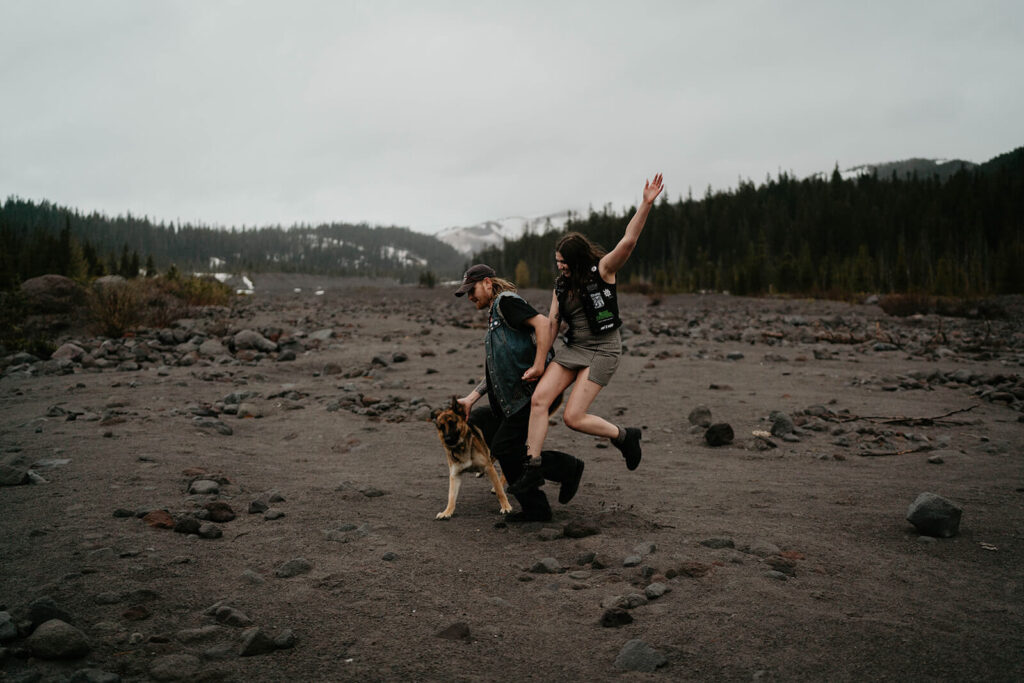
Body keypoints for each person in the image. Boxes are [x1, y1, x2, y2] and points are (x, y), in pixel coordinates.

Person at [522, 173, 664, 480]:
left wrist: (645, 205)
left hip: (604, 349)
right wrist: (538, 365)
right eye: (556, 261)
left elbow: (628, 241)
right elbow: (552, 325)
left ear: (576, 260)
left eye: (562, 261)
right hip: (575, 348)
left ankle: (625, 437)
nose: (559, 266)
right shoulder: (560, 286)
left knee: (573, 417)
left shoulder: (603, 270)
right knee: (539, 400)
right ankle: (531, 467)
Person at [453, 264, 585, 523]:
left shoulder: (506, 303)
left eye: (473, 289)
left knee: (505, 446)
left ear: (488, 283)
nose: (470, 296)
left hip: (528, 395)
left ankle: (566, 471)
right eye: (466, 292)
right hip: (510, 399)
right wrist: (470, 398)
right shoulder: (495, 315)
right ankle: (539, 502)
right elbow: (497, 370)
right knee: (481, 421)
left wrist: (538, 364)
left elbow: (544, 324)